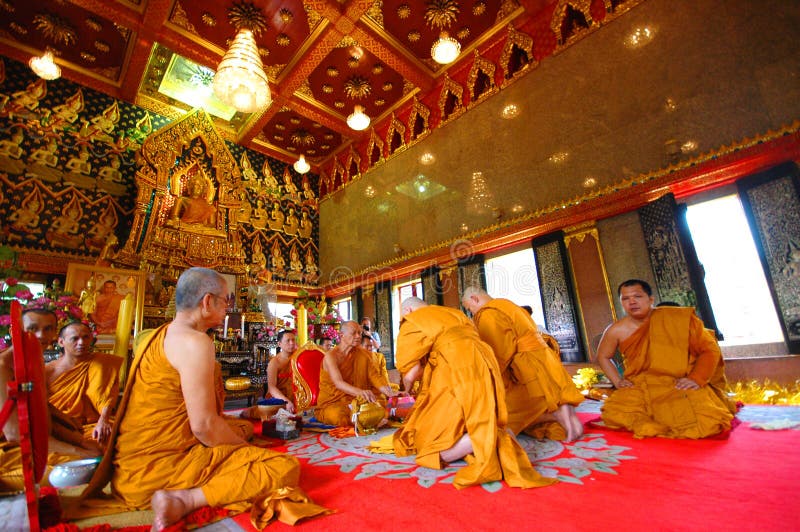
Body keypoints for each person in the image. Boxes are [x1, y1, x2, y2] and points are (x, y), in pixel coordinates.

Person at [79, 267, 327, 530]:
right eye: (224, 302)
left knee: (240, 427)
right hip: (158, 473)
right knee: (283, 467)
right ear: (207, 302)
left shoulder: (158, 335)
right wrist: (247, 452)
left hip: (131, 468)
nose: (226, 310)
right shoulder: (195, 342)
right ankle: (185, 499)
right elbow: (204, 427)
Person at [382, 297, 555, 489]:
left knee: (426, 449)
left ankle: (486, 436)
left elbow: (412, 370)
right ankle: (488, 431)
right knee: (472, 412)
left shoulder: (414, 320)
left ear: (407, 310)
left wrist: (404, 387)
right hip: (485, 361)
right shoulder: (454, 312)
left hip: (456, 366)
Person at [596, 279, 734, 439]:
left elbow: (709, 349)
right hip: (641, 384)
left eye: (637, 296)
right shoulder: (616, 329)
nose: (632, 302)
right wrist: (618, 381)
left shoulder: (677, 319)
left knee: (705, 420)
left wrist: (696, 379)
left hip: (677, 381)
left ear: (651, 299)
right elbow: (603, 356)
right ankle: (646, 423)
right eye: (625, 299)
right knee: (615, 411)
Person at [462, 287, 584, 441]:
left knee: (501, 416)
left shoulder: (488, 314)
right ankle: (558, 412)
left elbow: (500, 351)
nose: (471, 312)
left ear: (475, 299)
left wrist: (488, 376)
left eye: (469, 308)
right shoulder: (508, 305)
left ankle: (553, 414)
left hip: (527, 367)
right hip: (544, 360)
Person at [46, 321, 121, 446]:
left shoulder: (101, 363)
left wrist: (103, 420)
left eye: (86, 337)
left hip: (94, 424)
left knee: (114, 437)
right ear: (61, 342)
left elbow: (105, 396)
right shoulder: (48, 371)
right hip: (60, 426)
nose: (81, 343)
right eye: (75, 338)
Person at [315, 321, 397, 426]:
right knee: (338, 416)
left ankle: (367, 419)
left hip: (356, 400)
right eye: (354, 333)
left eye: (359, 333)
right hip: (333, 403)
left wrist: (389, 392)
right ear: (341, 335)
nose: (358, 336)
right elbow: (338, 383)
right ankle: (367, 420)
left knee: (382, 405)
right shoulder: (331, 356)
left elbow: (375, 376)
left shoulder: (363, 354)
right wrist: (360, 392)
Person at [266, 330, 298, 413]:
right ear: (279, 344)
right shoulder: (274, 362)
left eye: (293, 340)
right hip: (279, 397)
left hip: (297, 396)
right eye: (288, 340)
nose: (291, 343)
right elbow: (271, 387)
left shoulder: (299, 357)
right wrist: (286, 401)